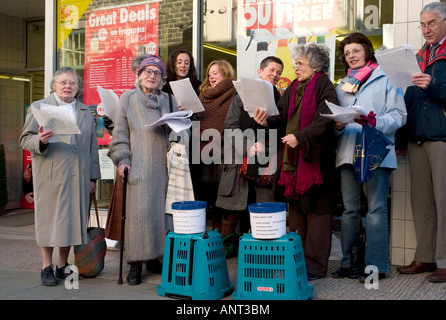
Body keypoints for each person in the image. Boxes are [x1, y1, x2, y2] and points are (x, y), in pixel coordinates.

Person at [256, 44, 339, 279]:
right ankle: (297, 262)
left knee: (318, 216)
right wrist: (265, 122)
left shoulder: (324, 85)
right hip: (292, 164)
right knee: (297, 214)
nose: (295, 68)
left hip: (315, 163)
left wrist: (301, 137)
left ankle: (315, 267)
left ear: (315, 66)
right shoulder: (293, 87)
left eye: (300, 63)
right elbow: (281, 118)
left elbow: (326, 118)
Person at [332, 32, 406, 282]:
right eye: (347, 53)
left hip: (376, 149)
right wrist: (337, 126)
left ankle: (376, 266)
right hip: (347, 152)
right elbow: (336, 118)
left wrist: (375, 121)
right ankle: (348, 264)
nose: (351, 55)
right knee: (349, 210)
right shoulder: (342, 85)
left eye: (356, 50)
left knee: (375, 209)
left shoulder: (387, 78)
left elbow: (399, 116)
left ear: (367, 52)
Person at [19, 67, 101, 286]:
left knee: (72, 222)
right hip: (51, 175)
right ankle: (46, 266)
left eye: (72, 83)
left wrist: (93, 178)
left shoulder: (85, 111)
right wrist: (41, 140)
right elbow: (24, 139)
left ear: (77, 87)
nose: (68, 86)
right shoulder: (39, 107)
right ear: (54, 86)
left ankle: (63, 266)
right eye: (63, 82)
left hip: (78, 176)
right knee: (50, 221)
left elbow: (92, 147)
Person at [108, 55, 180, 285]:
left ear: (162, 78)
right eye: (147, 72)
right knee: (138, 216)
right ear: (139, 75)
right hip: (138, 164)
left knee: (160, 215)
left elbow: (180, 133)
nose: (152, 76)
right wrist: (123, 160)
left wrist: (179, 125)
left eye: (156, 73)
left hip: (164, 166)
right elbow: (120, 134)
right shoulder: (128, 98)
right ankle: (135, 264)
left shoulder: (169, 100)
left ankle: (154, 258)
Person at [395, 2, 446, 283]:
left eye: (432, 23)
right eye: (423, 24)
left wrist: (433, 85)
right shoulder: (418, 56)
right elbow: (411, 98)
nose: (426, 29)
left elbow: (437, 91)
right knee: (421, 202)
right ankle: (426, 257)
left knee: (445, 202)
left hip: (441, 137)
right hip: (416, 137)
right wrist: (402, 136)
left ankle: (445, 261)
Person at [215, 56, 284, 256]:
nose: (275, 75)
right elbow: (230, 126)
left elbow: (283, 129)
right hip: (240, 162)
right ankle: (230, 250)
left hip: (266, 164)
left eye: (279, 72)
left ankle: (259, 253)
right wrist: (246, 147)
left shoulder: (280, 99)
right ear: (260, 72)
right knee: (235, 209)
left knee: (261, 210)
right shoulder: (241, 96)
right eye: (271, 70)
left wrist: (267, 127)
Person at [104, 52, 148, 242]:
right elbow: (121, 130)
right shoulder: (127, 96)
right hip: (129, 157)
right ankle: (128, 245)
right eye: (140, 71)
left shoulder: (162, 97)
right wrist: (110, 124)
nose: (146, 75)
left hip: (150, 158)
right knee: (127, 209)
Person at [195, 60, 236, 241]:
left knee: (224, 197)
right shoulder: (201, 96)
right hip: (203, 153)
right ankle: (213, 237)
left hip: (226, 153)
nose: (211, 76)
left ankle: (226, 239)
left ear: (226, 74)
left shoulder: (236, 93)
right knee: (209, 197)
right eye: (209, 73)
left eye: (216, 73)